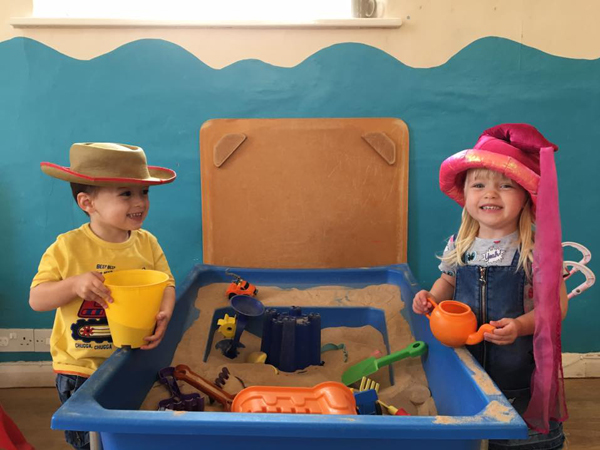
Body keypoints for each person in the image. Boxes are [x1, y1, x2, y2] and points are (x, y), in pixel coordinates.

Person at [412, 124, 568, 450]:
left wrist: (521, 325)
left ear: (525, 196)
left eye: (506, 186)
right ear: (466, 196)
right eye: (478, 184)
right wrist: (431, 298)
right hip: (468, 366)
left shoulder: (536, 249)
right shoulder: (464, 243)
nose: (490, 193)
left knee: (519, 440)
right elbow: (448, 281)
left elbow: (556, 308)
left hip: (519, 376)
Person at [29, 142, 177, 450]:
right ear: (87, 202)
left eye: (144, 192)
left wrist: (165, 313)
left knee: (124, 435)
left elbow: (167, 285)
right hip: (81, 369)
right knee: (90, 442)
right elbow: (37, 299)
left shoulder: (147, 243)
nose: (140, 202)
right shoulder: (67, 248)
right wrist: (73, 285)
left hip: (132, 360)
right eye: (126, 193)